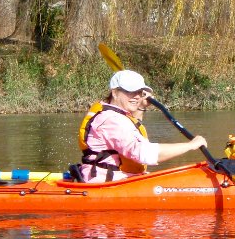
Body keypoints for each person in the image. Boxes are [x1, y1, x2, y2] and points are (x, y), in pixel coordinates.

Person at [78, 70, 207, 182]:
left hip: (120, 179)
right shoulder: (112, 120)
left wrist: (141, 106)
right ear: (115, 93)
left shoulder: (113, 113)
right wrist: (190, 146)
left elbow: (133, 126)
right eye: (130, 91)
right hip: (107, 185)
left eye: (140, 92)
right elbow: (144, 153)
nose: (137, 96)